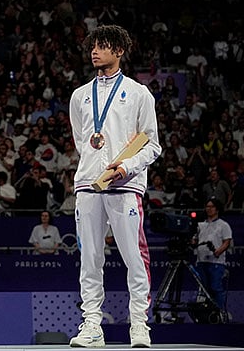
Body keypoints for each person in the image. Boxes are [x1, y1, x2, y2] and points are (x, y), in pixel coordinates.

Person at [69, 25, 161, 349]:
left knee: (134, 258)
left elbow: (152, 146)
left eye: (102, 46)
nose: (95, 51)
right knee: (90, 259)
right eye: (93, 45)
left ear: (119, 51)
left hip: (125, 186)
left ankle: (139, 324)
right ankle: (92, 324)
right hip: (88, 186)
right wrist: (94, 171)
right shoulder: (80, 96)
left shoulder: (139, 93)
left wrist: (126, 167)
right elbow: (83, 141)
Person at [195, 198, 231, 315]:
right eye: (207, 207)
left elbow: (226, 241)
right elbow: (196, 239)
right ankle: (206, 313)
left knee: (215, 287)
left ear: (217, 209)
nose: (209, 209)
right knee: (204, 289)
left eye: (212, 207)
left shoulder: (223, 225)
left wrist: (218, 252)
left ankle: (219, 312)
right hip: (201, 261)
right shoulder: (201, 225)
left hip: (216, 262)